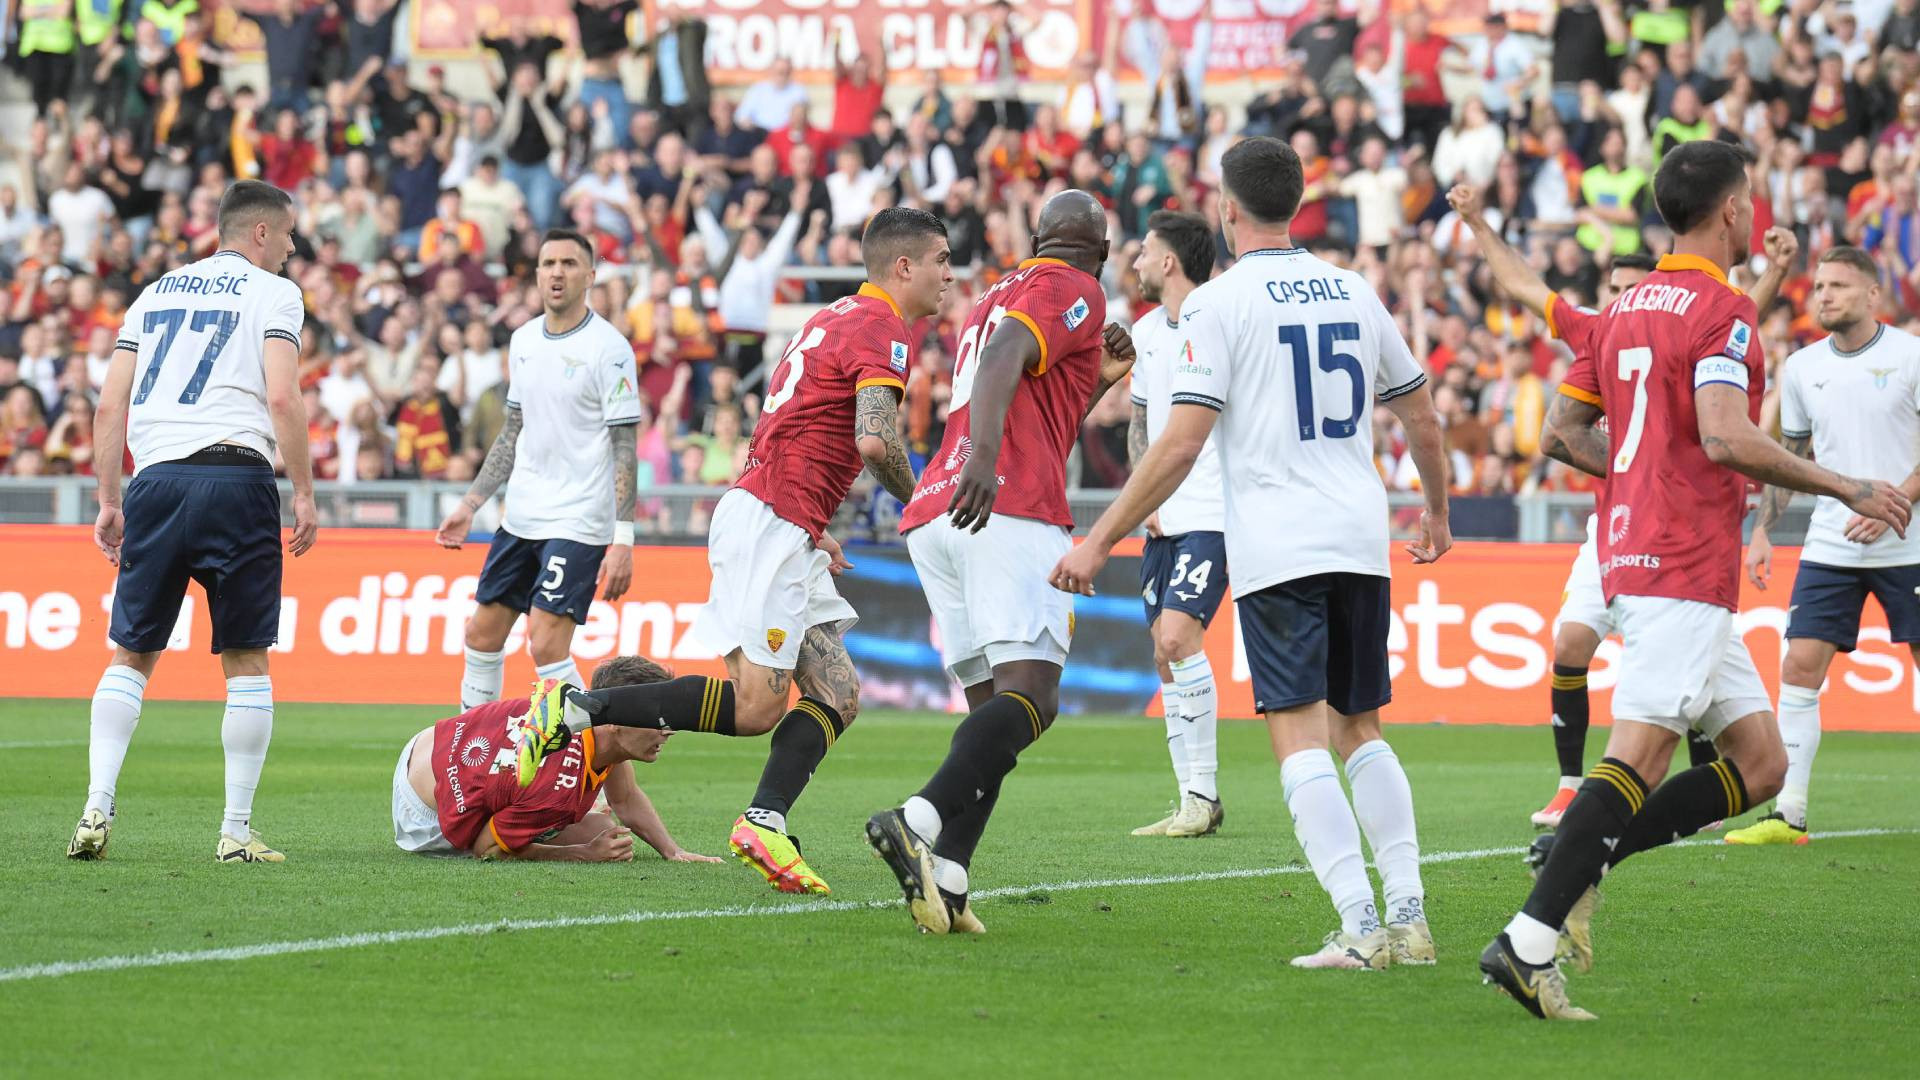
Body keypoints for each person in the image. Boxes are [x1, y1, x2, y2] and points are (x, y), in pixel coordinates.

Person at [1485, 141, 1910, 1020]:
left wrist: (1637, 476)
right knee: (1639, 752)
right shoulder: (1724, 313)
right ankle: (1528, 943)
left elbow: (1566, 429)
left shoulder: (1624, 305)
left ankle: (1579, 850)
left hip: (1641, 552)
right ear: (1727, 211)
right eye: (1749, 199)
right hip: (1681, 561)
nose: (1755, 213)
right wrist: (1844, 483)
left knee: (1760, 763)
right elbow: (1723, 434)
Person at [1052, 138, 1450, 971]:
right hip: (1359, 537)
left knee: (1301, 738)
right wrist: (1437, 515)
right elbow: (1421, 415)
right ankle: (1411, 917)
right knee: (1361, 729)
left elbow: (1178, 445)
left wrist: (1099, 537)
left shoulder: (1218, 305)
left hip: (1281, 544)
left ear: (1227, 209)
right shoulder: (1354, 289)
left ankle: (1359, 927)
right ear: (1297, 203)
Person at [525, 208, 951, 898]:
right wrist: (926, 502)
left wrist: (810, 516)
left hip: (780, 516)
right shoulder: (882, 328)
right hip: (771, 523)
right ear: (903, 267)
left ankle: (764, 820)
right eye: (941, 260)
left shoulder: (834, 316)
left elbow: (789, 419)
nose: (949, 274)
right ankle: (580, 708)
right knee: (757, 709)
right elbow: (876, 440)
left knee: (838, 694)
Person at [1447, 184, 1797, 828]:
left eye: (1624, 288)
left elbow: (1719, 334)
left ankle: (1622, 819)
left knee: (1687, 695)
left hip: (1666, 533)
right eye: (1611, 291)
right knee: (1576, 641)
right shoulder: (1606, 327)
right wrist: (1476, 223)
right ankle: (1574, 795)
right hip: (1624, 529)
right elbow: (1528, 290)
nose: (1617, 299)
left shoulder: (1632, 321)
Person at [863, 190, 1135, 935]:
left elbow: (1033, 404)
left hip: (939, 513)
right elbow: (1008, 365)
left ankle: (948, 875)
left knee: (992, 719)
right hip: (1003, 505)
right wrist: (986, 459)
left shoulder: (992, 296)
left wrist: (1095, 382)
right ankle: (916, 818)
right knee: (1034, 700)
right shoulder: (1073, 286)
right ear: (1100, 252)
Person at [68, 180, 317, 864]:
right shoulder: (275, 295)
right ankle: (235, 830)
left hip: (154, 481)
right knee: (245, 659)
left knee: (131, 654)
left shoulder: (155, 293)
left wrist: (110, 499)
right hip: (235, 478)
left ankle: (97, 803)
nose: (294, 248)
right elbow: (280, 394)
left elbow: (109, 405)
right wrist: (304, 491)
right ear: (260, 233)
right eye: (289, 234)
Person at [1733, 246, 1920, 845]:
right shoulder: (1803, 367)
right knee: (1799, 665)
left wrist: (1900, 500)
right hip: (1831, 544)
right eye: (1819, 286)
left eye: (1838, 285)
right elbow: (1790, 458)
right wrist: (1763, 529)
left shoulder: (1911, 356)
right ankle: (1790, 813)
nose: (1824, 296)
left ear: (1872, 294)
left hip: (1907, 543)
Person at [435, 229, 641, 709]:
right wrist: (471, 503)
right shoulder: (524, 339)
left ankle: (589, 766)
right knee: (481, 633)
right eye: (548, 263)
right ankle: (472, 751)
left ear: (590, 276)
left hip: (578, 517)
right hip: (522, 513)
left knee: (546, 643)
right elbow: (512, 432)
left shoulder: (608, 349)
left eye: (569, 264)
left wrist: (624, 538)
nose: (556, 273)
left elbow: (624, 446)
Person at [393, 655, 718, 863]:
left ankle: (523, 805)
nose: (668, 729)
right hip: (421, 817)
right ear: (619, 717)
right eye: (657, 717)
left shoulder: (581, 712)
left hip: (429, 742)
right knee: (595, 829)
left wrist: (674, 852)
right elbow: (486, 848)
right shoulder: (557, 790)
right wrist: (582, 854)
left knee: (594, 814)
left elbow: (626, 796)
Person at [1124, 210, 1228, 840]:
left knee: (1176, 640)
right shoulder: (1144, 333)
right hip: (1161, 517)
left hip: (1213, 510)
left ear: (1168, 261)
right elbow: (1141, 425)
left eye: (1143, 251)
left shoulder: (1219, 321)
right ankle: (1189, 798)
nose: (1134, 262)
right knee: (1163, 658)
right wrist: (1144, 497)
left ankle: (1203, 793)